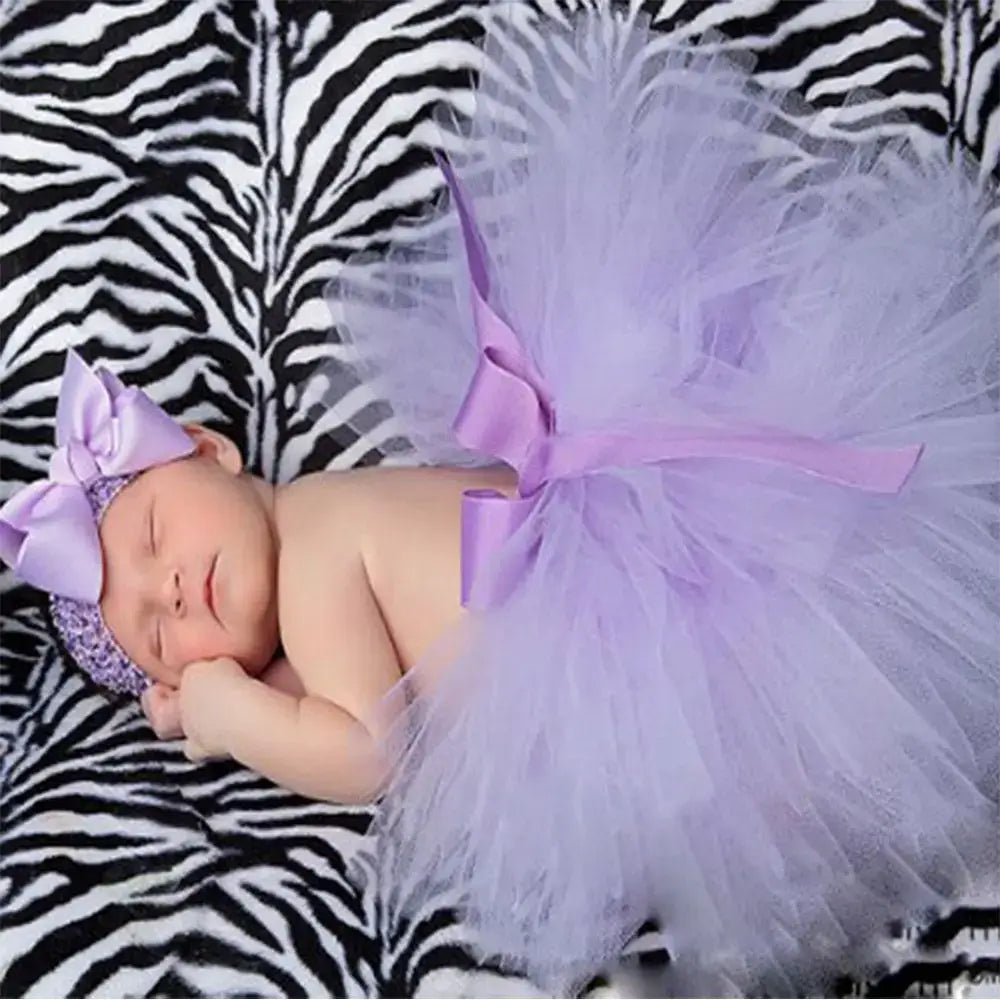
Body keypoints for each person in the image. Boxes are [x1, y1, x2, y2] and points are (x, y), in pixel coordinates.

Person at [3, 6, 997, 995]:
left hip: (603, 645)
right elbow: (354, 676)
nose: (169, 592)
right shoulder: (308, 551)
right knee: (790, 733)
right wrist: (224, 700)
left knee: (771, 772)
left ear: (211, 451)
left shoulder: (311, 547)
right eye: (151, 634)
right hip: (610, 605)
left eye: (151, 535)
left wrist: (226, 710)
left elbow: (362, 748)